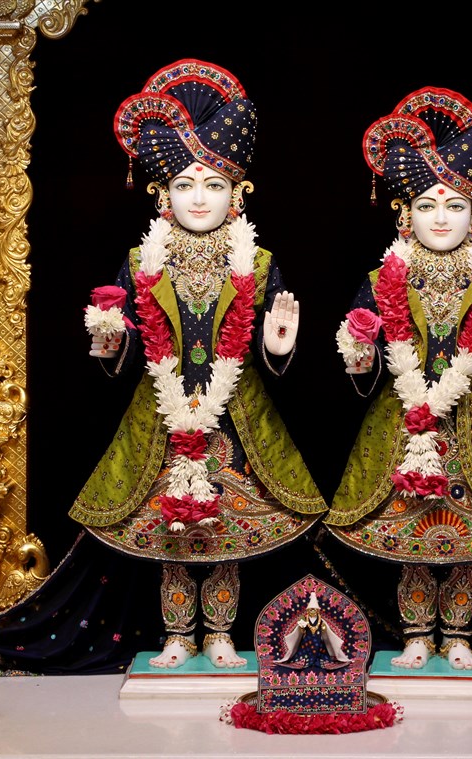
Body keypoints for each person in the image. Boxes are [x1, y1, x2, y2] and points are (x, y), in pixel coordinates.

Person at [69, 59, 326, 670]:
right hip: (163, 416)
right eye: (185, 185)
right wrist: (112, 344)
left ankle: (220, 634)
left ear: (238, 192)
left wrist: (278, 350)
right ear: (163, 193)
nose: (200, 198)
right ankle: (177, 635)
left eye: (214, 184)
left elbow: (270, 342)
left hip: (235, 416)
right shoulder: (142, 261)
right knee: (174, 534)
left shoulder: (257, 263)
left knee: (225, 530)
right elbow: (128, 337)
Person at [326, 87, 472, 671]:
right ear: (404, 213)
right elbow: (363, 353)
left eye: (455, 205)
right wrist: (358, 360)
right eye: (428, 205)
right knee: (414, 536)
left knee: (463, 542)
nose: (440, 218)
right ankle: (416, 634)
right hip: (403, 430)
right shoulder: (381, 279)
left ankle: (457, 636)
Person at [275, 592, 351, 671]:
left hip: (318, 641)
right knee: (303, 650)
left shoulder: (321, 620)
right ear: (308, 610)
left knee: (321, 650)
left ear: (317, 610)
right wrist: (301, 626)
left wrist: (324, 628)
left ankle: (319, 660)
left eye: (314, 610)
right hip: (307, 641)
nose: (312, 611)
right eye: (311, 609)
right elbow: (300, 630)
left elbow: (325, 630)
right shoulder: (304, 618)